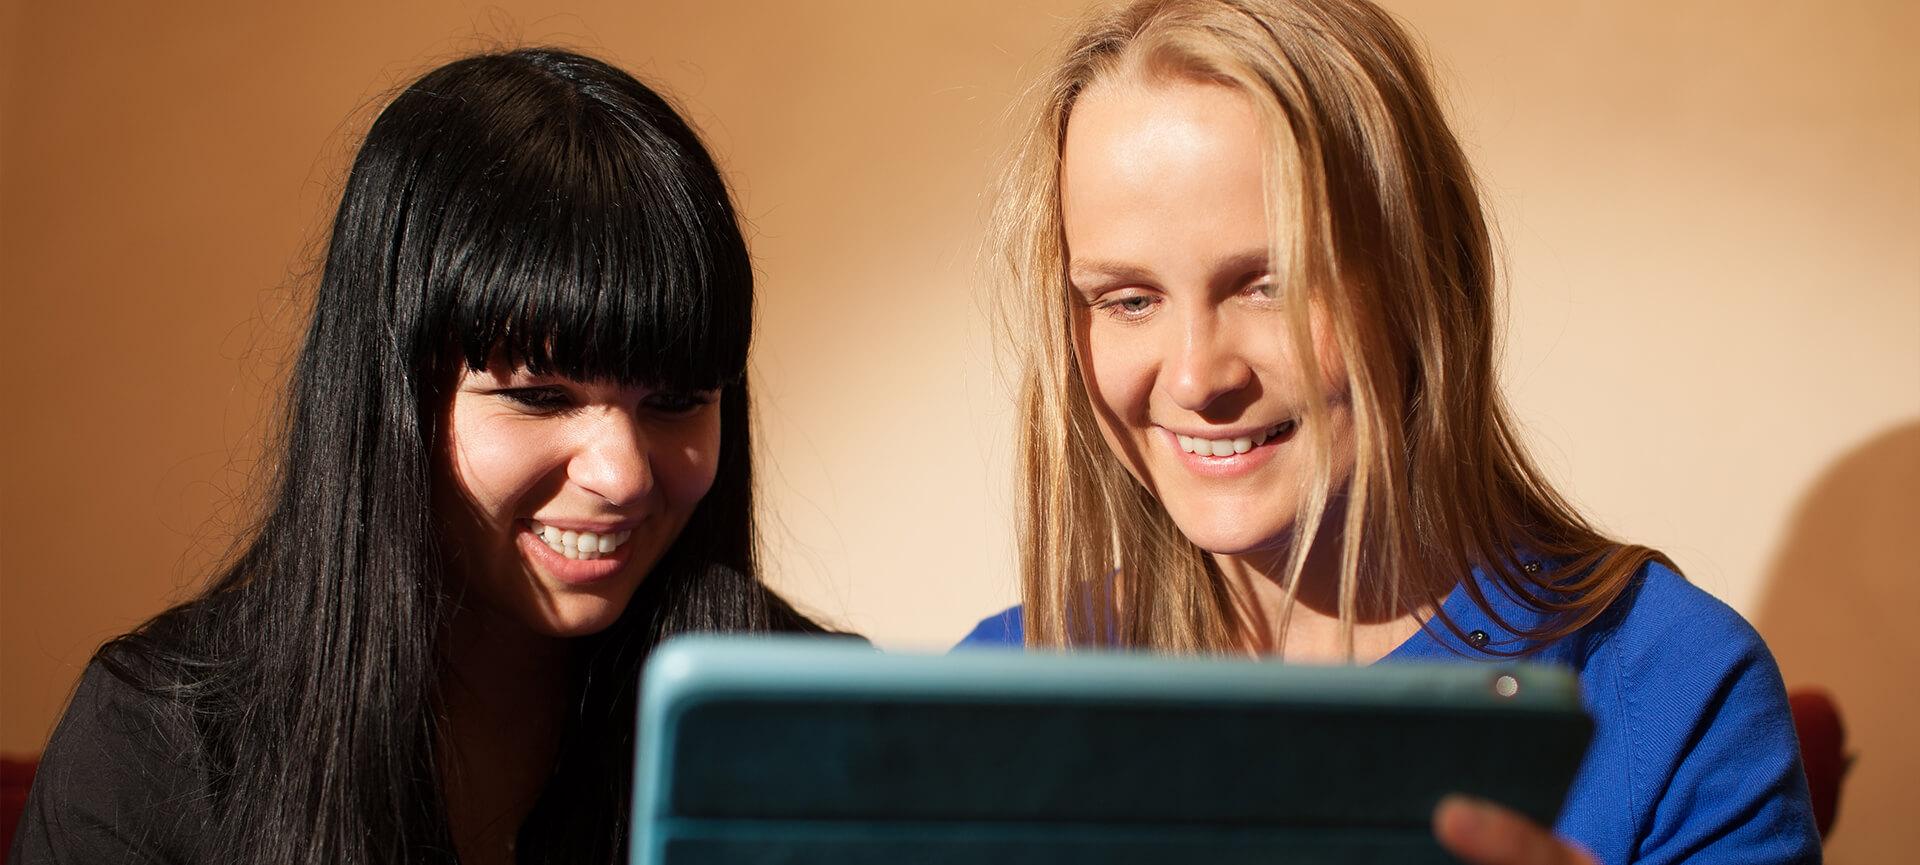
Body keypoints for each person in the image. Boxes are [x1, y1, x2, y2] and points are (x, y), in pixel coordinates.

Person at [959, 1, 1821, 863]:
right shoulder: (987, 704)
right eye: (1129, 299)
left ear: (1421, 283)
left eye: (1272, 285)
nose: (1195, 377)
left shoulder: (1672, 690)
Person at [12, 48, 835, 865]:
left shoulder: (827, 724)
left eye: (678, 400)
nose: (621, 474)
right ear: (389, 398)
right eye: (539, 395)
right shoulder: (161, 746)